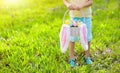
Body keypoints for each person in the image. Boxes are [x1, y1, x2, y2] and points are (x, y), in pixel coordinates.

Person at [63, 0, 93, 67]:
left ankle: (87, 57)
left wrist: (81, 6)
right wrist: (68, 5)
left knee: (87, 37)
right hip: (74, 18)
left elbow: (90, 2)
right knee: (73, 37)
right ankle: (71, 57)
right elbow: (64, 1)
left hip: (86, 17)